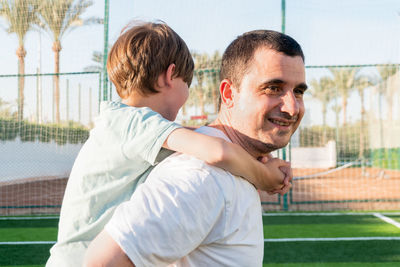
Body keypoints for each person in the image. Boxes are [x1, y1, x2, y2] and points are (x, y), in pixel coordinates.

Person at [46, 22, 292, 267]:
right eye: (187, 84)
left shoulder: (123, 123)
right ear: (169, 75)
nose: (186, 98)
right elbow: (217, 149)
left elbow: (197, 135)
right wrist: (264, 176)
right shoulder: (135, 123)